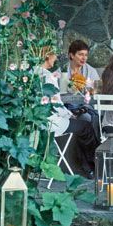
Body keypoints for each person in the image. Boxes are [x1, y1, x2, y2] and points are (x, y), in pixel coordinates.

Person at [38, 47, 99, 179]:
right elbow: (57, 104)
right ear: (48, 57)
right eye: (54, 55)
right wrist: (69, 115)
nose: (55, 58)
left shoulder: (31, 74)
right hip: (51, 124)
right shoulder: (48, 77)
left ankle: (87, 166)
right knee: (85, 126)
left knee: (81, 124)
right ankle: (93, 167)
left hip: (36, 125)